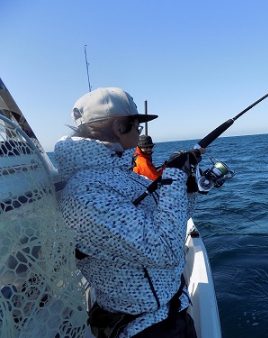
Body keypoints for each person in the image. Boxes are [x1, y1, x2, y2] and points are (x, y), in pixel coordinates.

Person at [54, 87, 200, 338]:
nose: (140, 131)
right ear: (119, 127)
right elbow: (165, 251)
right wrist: (173, 177)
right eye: (136, 125)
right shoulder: (86, 194)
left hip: (170, 313)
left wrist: (187, 188)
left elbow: (172, 225)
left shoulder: (124, 175)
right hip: (147, 329)